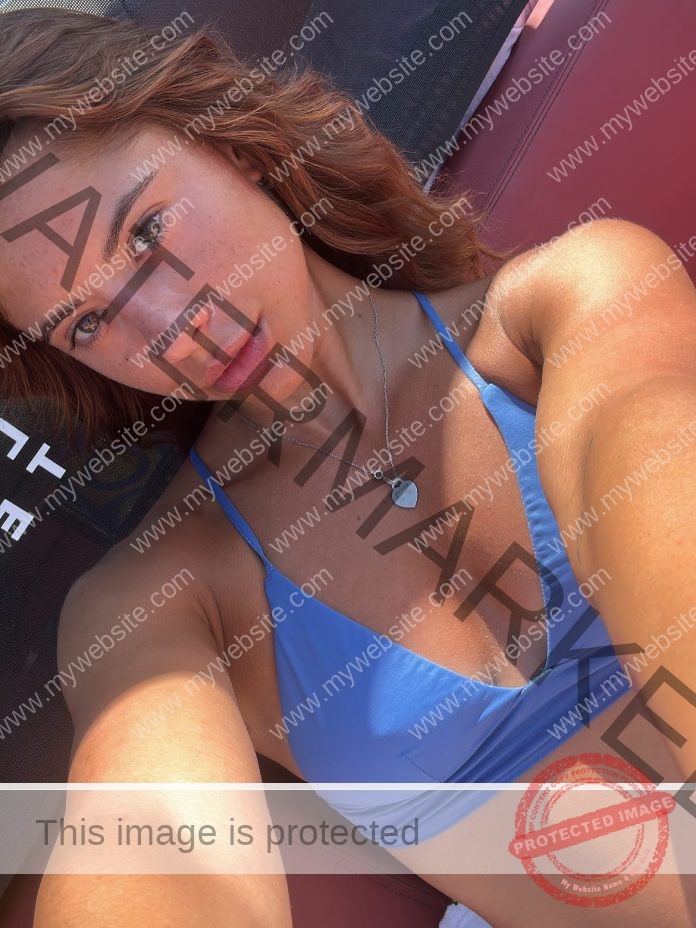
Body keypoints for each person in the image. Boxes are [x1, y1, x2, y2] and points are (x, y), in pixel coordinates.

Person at [0, 9, 694, 927]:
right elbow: (154, 850)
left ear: (229, 145)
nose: (163, 326)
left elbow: (653, 457)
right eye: (85, 324)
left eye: (147, 230)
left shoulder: (566, 306)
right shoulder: (165, 594)